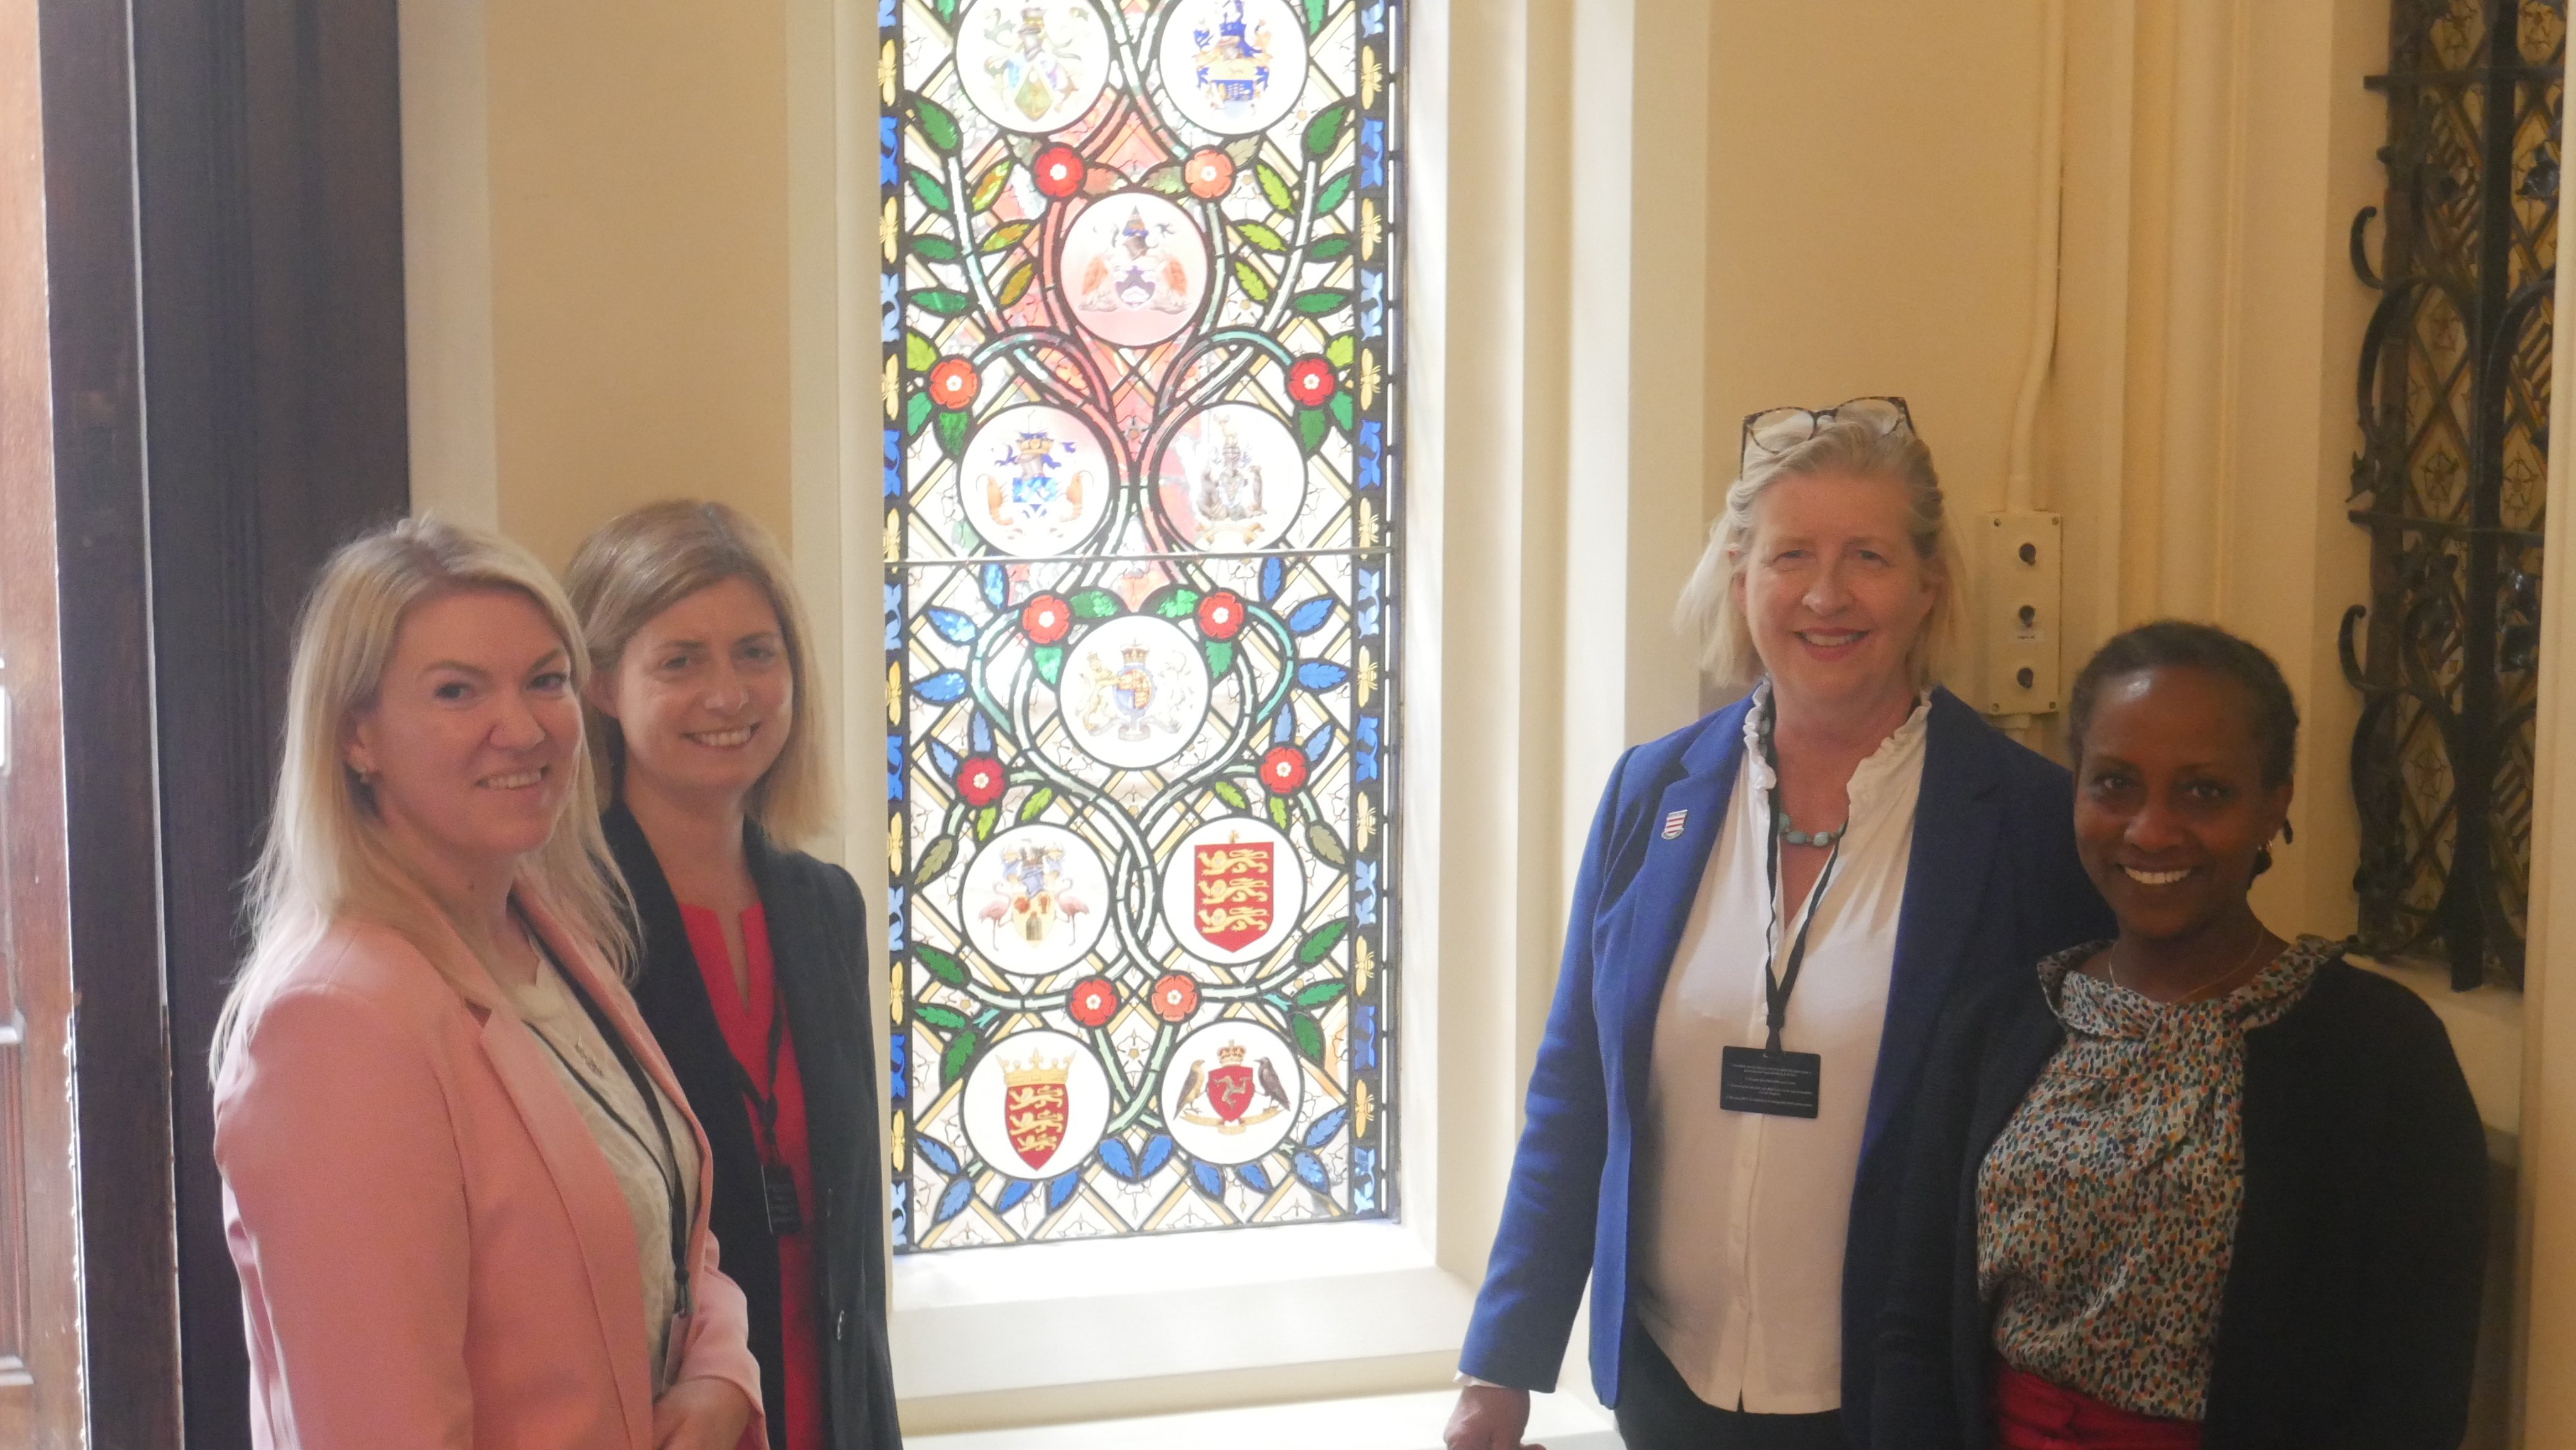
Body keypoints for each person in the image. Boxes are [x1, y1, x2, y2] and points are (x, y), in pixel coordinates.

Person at [1447, 399, 2112, 1450]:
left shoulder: (2028, 823)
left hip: (1896, 1403)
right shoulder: (1651, 789)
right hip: (1669, 1388)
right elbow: (1576, 1084)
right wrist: (1502, 1361)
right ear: (1740, 577)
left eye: (1870, 557)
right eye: (1790, 553)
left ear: (1930, 583)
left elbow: (2073, 1145)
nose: (1826, 593)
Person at [211, 516, 763, 1449]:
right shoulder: (335, 1022)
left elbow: (667, 1228)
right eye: (458, 690)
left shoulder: (549, 930)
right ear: (357, 736)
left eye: (545, 680)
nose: (521, 727)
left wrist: (721, 1374)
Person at [1872, 622, 2488, 1449]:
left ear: (2276, 802)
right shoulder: (1997, 1025)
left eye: (2203, 792)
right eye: (2115, 784)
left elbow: (2412, 1390)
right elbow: (1914, 1329)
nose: (2151, 829)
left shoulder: (2380, 1055)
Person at [566, 500, 901, 1450]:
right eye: (681, 661)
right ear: (601, 685)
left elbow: (851, 1258)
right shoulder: (565, 921)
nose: (730, 694)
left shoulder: (825, 906)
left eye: (757, 653)